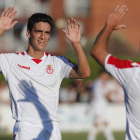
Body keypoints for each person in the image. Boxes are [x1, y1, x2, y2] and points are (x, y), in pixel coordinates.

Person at [0, 7, 91, 140]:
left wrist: (76, 44)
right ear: (28, 33)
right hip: (26, 128)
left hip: (52, 128)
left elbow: (85, 73)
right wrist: (1, 29)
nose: (43, 36)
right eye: (38, 31)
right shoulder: (11, 60)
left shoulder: (58, 62)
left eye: (47, 32)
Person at [90, 4, 140, 140]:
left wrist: (108, 28)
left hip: (100, 105)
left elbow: (97, 51)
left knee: (101, 125)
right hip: (99, 105)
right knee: (100, 124)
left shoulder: (132, 71)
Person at [87, 70, 116, 140]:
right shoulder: (99, 83)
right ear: (103, 75)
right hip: (98, 105)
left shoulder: (98, 82)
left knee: (104, 122)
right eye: (106, 75)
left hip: (101, 104)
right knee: (97, 123)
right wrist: (110, 95)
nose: (107, 77)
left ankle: (110, 138)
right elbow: (102, 94)